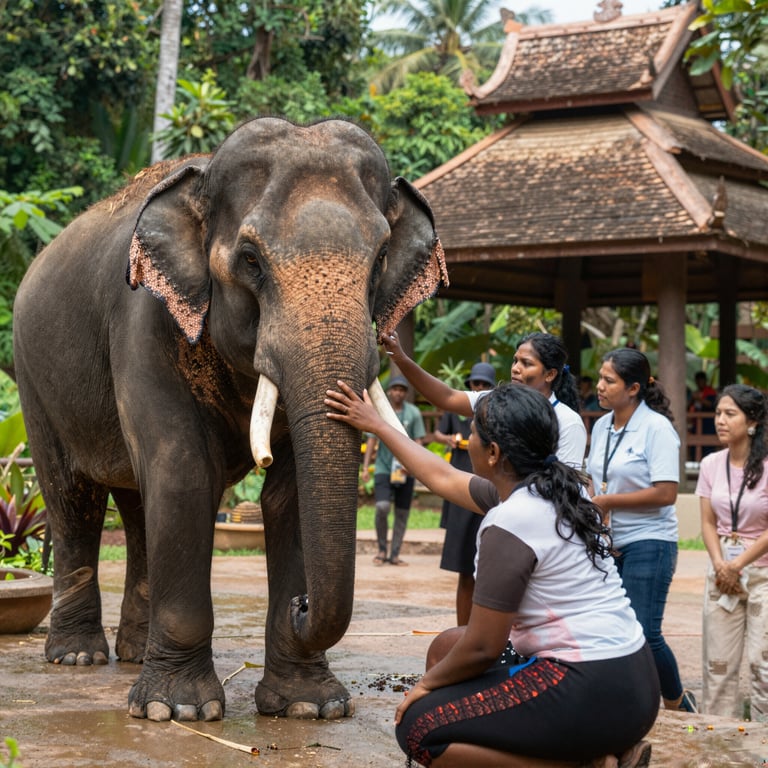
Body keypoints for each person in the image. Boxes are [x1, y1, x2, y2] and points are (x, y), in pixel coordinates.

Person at [326, 381, 658, 768]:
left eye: (472, 434)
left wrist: (425, 686)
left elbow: (484, 646)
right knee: (447, 646)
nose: (468, 441)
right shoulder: (563, 490)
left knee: (419, 728)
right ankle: (601, 750)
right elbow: (443, 477)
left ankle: (583, 764)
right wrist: (380, 425)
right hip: (635, 685)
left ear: (494, 452)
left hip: (584, 687)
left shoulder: (512, 521)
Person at [586, 347, 696, 713]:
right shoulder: (601, 426)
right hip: (609, 542)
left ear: (633, 389)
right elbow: (596, 477)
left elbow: (666, 494)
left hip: (650, 540)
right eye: (600, 378)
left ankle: (679, 705)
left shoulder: (656, 428)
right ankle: (625, 708)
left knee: (646, 633)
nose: (599, 386)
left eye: (609, 380)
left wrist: (608, 501)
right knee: (613, 631)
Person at [382, 331, 587, 470]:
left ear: (550, 374)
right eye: (515, 361)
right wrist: (400, 358)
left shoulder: (568, 422)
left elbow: (566, 485)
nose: (515, 368)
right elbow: (448, 397)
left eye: (526, 363)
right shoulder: (497, 401)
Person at [695, 384, 768, 720]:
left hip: (761, 572)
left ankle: (762, 739)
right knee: (718, 664)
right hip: (722, 571)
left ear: (752, 422)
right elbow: (708, 522)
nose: (720, 420)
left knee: (762, 664)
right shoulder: (711, 464)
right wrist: (720, 564)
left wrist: (738, 563)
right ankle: (717, 736)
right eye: (718, 413)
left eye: (729, 414)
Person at [433, 362, 496, 625]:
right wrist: (447, 439)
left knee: (491, 573)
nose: (479, 387)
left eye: (484, 384)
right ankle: (463, 629)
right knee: (465, 568)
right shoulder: (456, 410)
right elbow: (437, 433)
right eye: (475, 383)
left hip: (489, 488)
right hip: (460, 481)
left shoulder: (497, 411)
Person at [362, 375, 426, 566]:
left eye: (402, 389)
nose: (398, 393)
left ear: (406, 393)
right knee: (382, 507)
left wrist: (415, 465)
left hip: (405, 470)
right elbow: (371, 440)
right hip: (383, 468)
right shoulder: (379, 412)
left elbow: (418, 441)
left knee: (402, 513)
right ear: (389, 392)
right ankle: (382, 550)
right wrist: (365, 467)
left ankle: (395, 553)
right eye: (395, 389)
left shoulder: (413, 413)